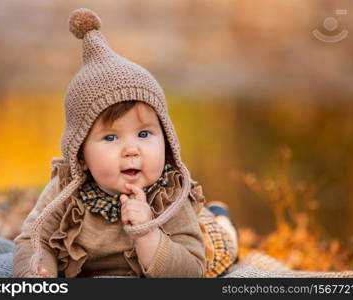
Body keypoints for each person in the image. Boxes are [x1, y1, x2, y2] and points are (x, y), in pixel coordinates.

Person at [13, 8, 238, 278]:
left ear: (166, 139)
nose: (132, 150)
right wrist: (38, 271)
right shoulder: (64, 191)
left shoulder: (169, 194)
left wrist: (147, 235)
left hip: (203, 243)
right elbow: (32, 240)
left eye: (144, 134)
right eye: (110, 137)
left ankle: (222, 219)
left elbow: (191, 272)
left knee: (223, 245)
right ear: (80, 154)